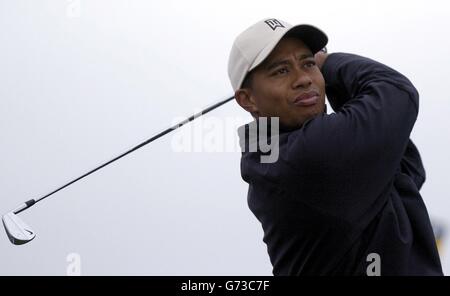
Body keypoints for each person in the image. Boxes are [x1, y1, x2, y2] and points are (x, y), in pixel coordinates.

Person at [227, 18, 443, 275]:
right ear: (248, 99)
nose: (304, 79)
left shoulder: (272, 157)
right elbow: (395, 91)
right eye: (281, 71)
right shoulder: (302, 157)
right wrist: (327, 63)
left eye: (307, 64)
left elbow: (408, 169)